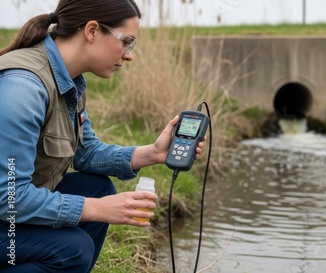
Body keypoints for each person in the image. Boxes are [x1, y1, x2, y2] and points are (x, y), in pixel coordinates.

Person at [0, 0, 204, 272]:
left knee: (97, 187)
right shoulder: (23, 88)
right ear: (92, 31)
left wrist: (153, 153)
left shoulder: (68, 79)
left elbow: (85, 153)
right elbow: (10, 199)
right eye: (126, 41)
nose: (129, 54)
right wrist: (98, 209)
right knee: (74, 250)